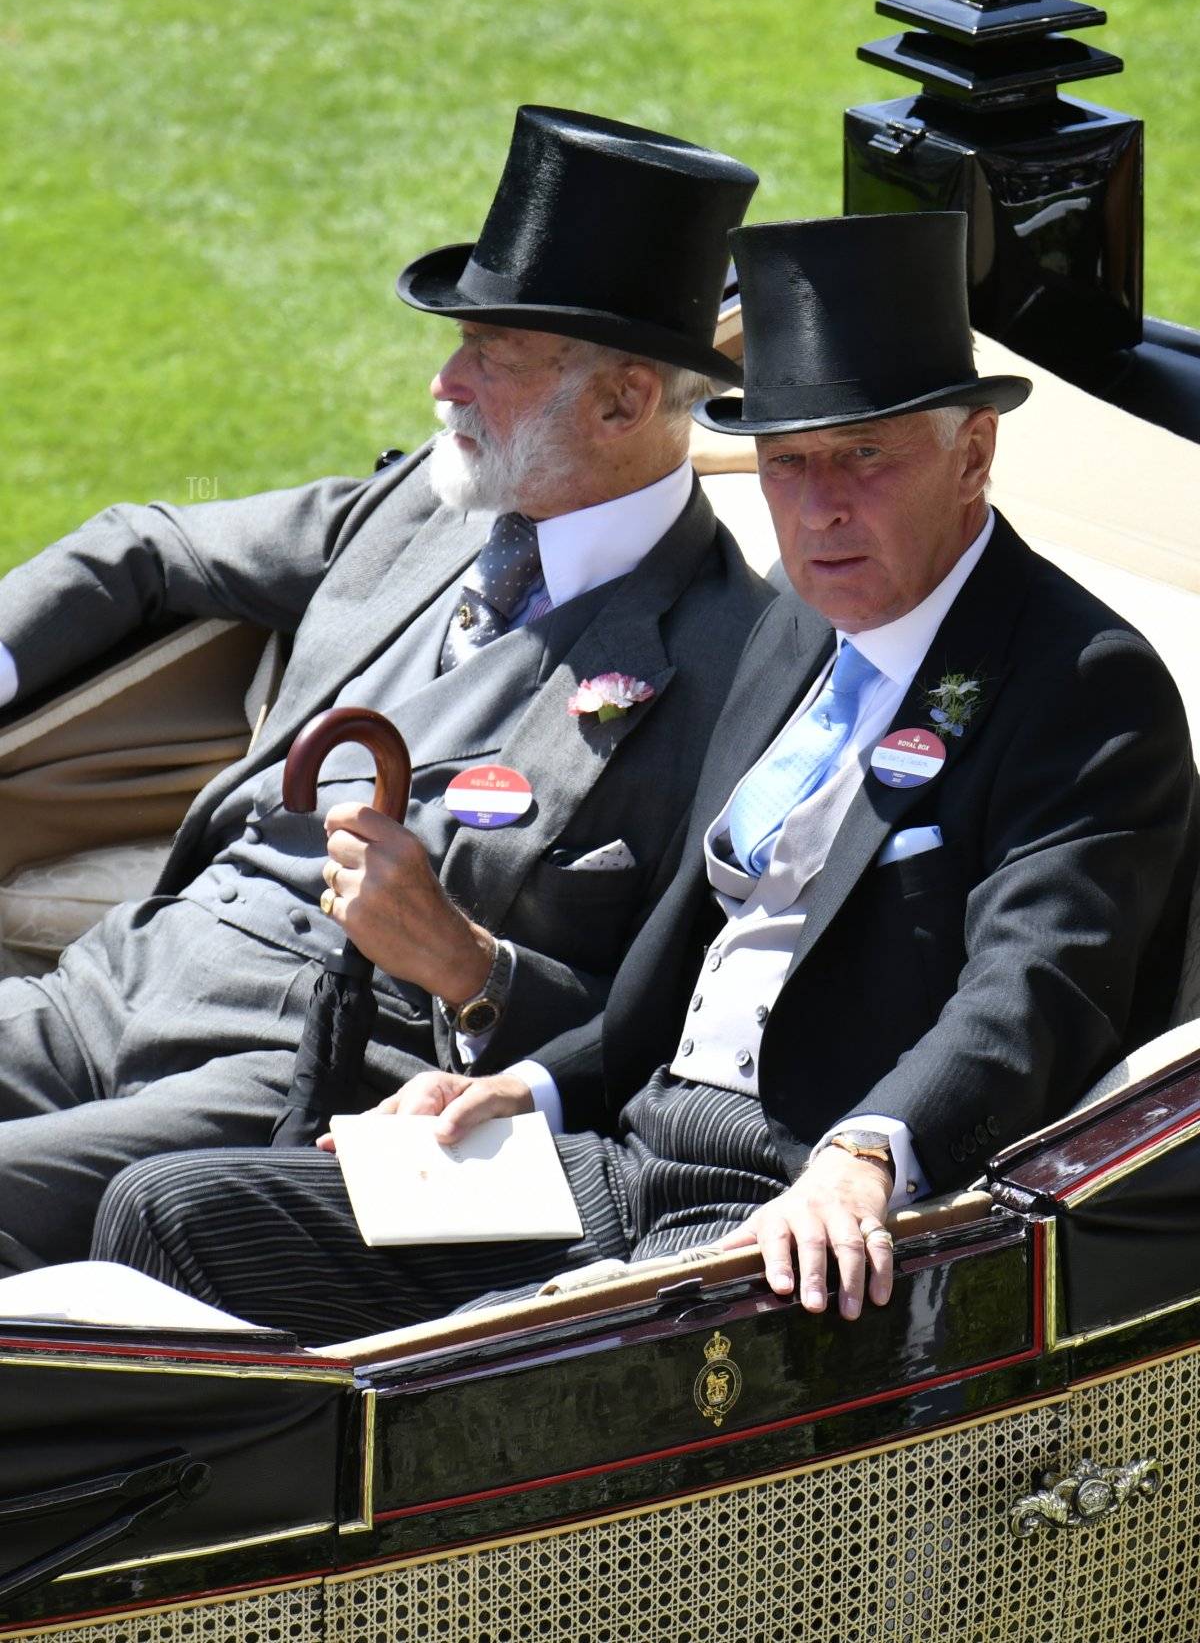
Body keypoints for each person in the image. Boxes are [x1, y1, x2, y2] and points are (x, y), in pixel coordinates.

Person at [93, 212, 1198, 1346]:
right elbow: (684, 955)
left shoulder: (1083, 685)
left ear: (973, 454)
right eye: (786, 463)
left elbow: (1037, 990)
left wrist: (865, 1156)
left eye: (866, 457)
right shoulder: (792, 628)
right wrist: (529, 1090)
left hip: (787, 1218)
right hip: (622, 1160)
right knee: (164, 1212)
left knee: (443, 1389)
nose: (819, 508)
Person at [0, 106, 771, 1269]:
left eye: (490, 357)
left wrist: (471, 962)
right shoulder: (424, 504)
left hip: (301, 1071)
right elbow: (146, 544)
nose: (441, 380)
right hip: (120, 974)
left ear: (619, 402)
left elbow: (670, 1038)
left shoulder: (733, 665)